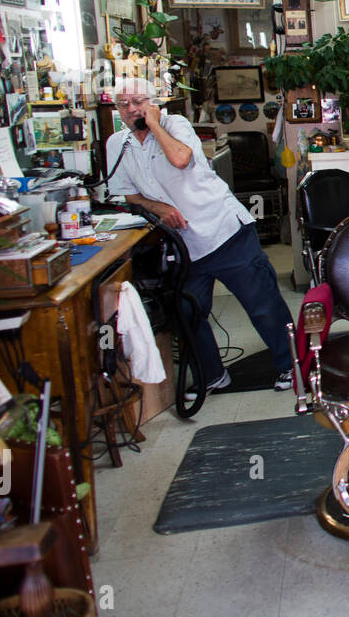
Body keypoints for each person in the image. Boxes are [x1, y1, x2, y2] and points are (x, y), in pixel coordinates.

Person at [105, 77, 295, 395]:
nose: (131, 109)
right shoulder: (118, 145)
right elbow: (128, 196)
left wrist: (153, 123)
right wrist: (158, 207)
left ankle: (291, 366)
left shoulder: (174, 124)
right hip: (183, 245)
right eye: (123, 104)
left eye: (138, 102)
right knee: (187, 312)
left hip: (223, 230)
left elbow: (181, 159)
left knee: (262, 304)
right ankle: (211, 375)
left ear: (153, 103)